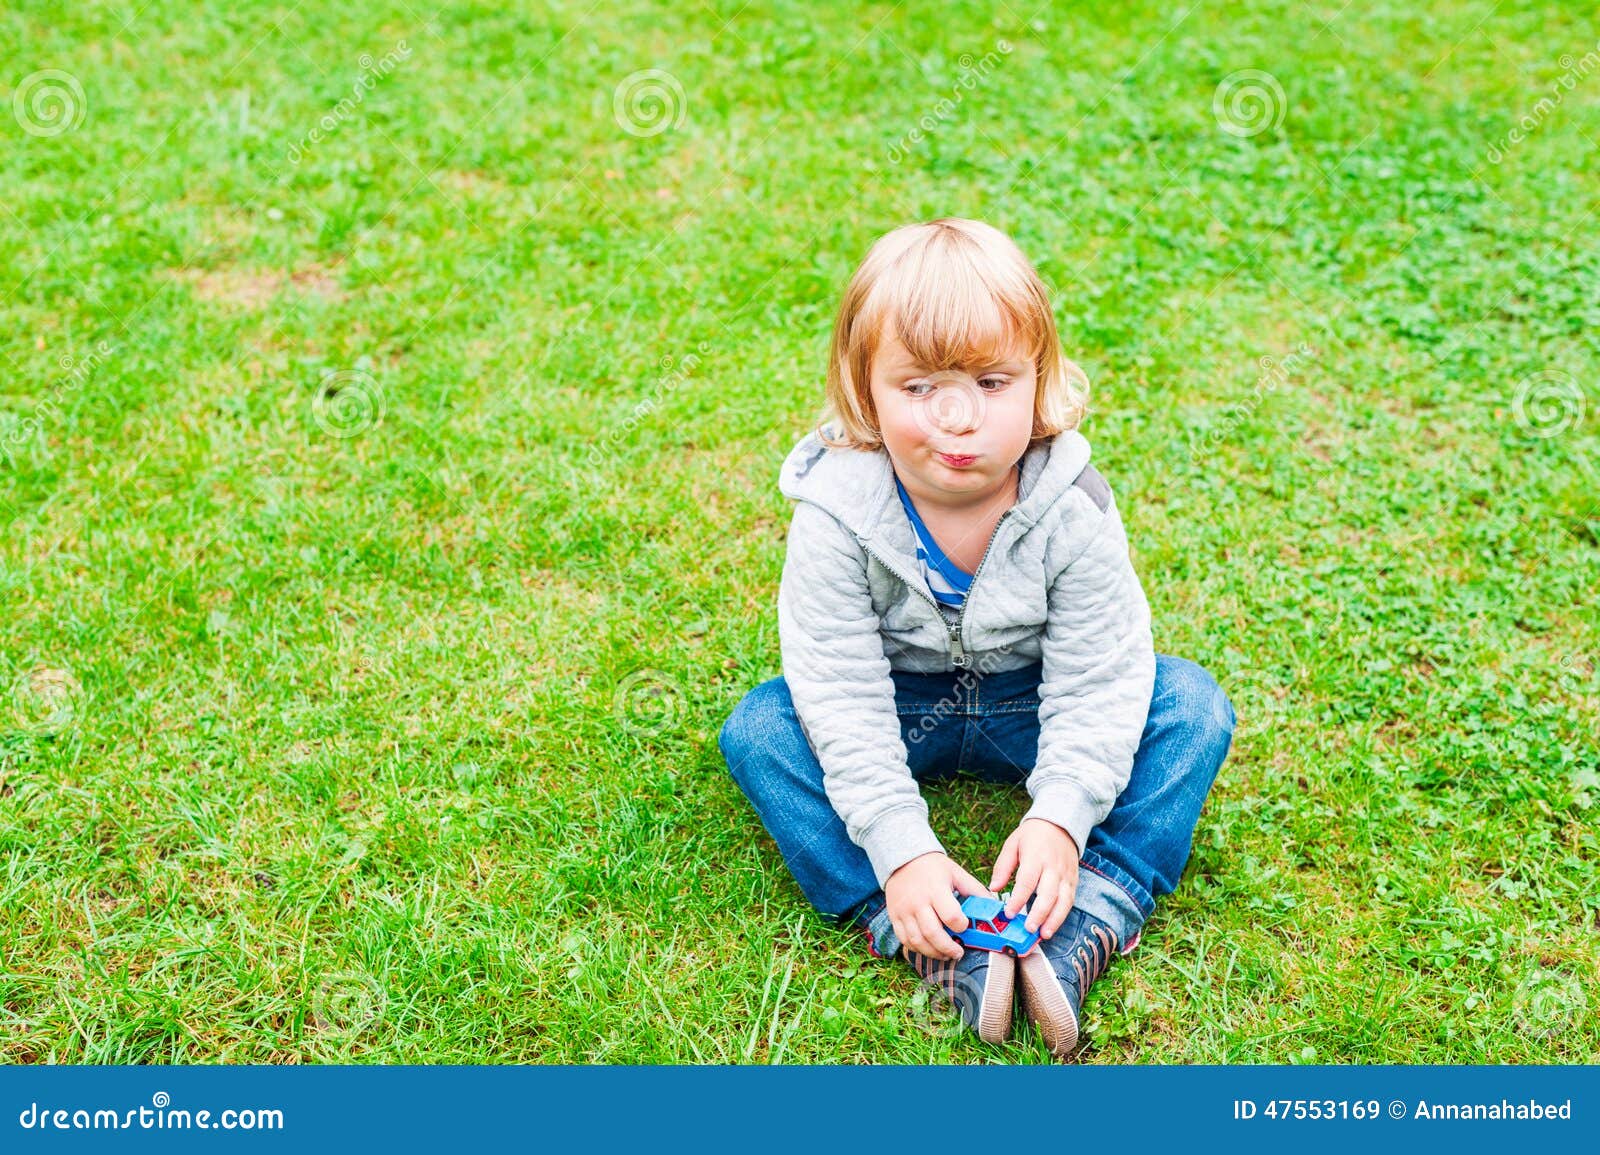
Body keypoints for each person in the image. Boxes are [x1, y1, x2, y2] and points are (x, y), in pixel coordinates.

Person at [718, 218, 1236, 1058]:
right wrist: (901, 849)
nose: (958, 419)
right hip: (900, 702)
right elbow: (841, 693)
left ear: (1040, 381)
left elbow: (1099, 676)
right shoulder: (835, 515)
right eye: (919, 387)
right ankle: (924, 932)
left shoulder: (1072, 506)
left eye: (992, 382)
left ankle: (1088, 917)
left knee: (1189, 704)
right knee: (764, 729)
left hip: (1029, 700)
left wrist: (1064, 819)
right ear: (864, 391)